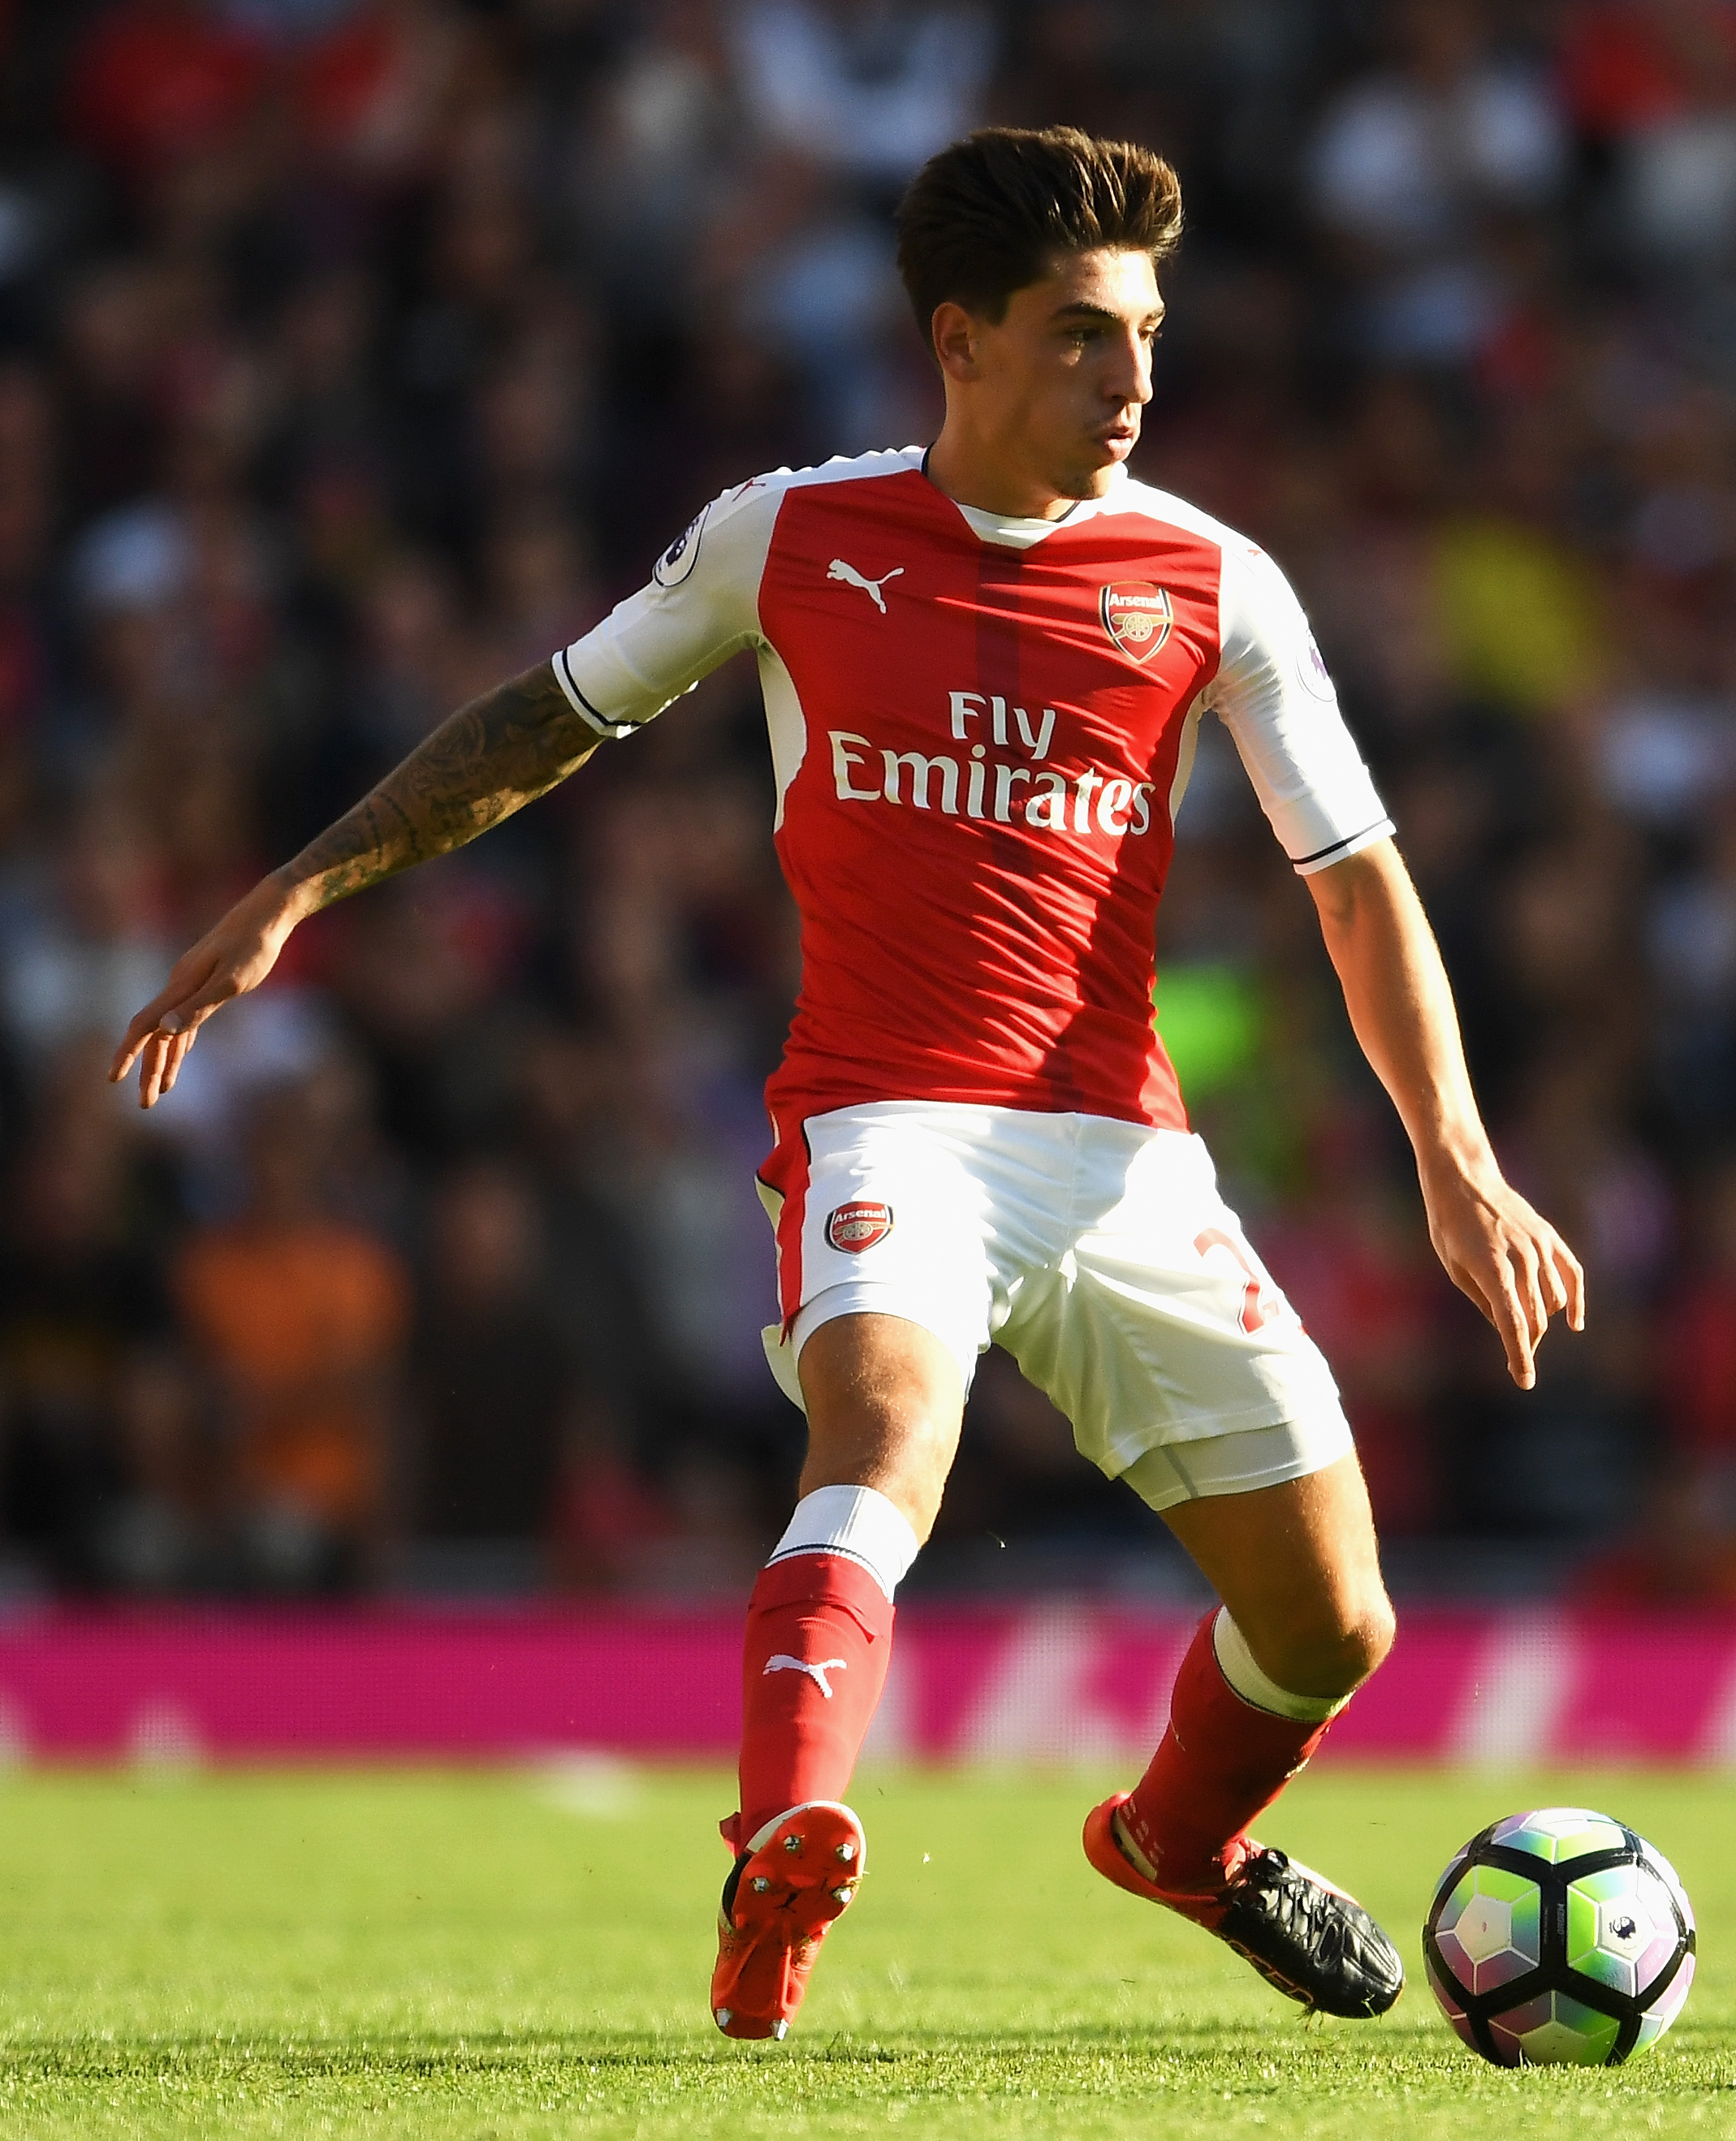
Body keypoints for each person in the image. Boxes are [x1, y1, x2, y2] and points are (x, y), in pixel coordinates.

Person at [110, 127, 1581, 2040]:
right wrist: (297, 889)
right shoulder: (788, 534)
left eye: (1143, 336)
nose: (1129, 379)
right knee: (881, 1436)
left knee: (1333, 1622)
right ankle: (785, 1831)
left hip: (1124, 1148)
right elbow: (542, 721)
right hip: (885, 1114)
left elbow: (1357, 880)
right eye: (1079, 338)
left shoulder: (1213, 581)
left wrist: (1453, 1155)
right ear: (958, 345)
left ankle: (1178, 1842)